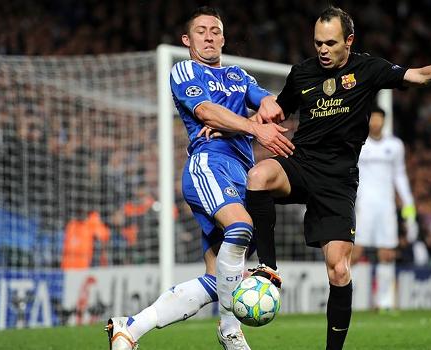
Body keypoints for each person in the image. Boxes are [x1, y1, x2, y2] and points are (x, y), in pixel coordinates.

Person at [245, 6, 431, 349]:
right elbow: (276, 112)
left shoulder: (368, 69)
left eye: (330, 43)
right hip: (301, 164)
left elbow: (420, 76)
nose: (322, 50)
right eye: (317, 43)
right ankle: (267, 267)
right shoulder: (302, 74)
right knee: (258, 176)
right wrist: (233, 123)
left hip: (338, 181)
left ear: (349, 41)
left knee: (338, 270)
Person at [105, 7, 292, 350]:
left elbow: (264, 97)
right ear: (187, 40)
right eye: (201, 31)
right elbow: (204, 111)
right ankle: (230, 328)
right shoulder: (185, 69)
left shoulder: (238, 74)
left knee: (217, 277)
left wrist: (267, 103)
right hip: (209, 164)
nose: (209, 36)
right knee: (241, 227)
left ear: (223, 37)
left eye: (215, 31)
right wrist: (252, 126)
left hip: (241, 173)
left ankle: (130, 328)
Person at [350, 106, 418, 311]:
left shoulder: (395, 146)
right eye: (373, 119)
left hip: (386, 207)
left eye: (380, 119)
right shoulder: (359, 144)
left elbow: (400, 176)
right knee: (355, 251)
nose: (376, 123)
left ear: (384, 121)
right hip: (364, 206)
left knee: (387, 253)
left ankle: (384, 302)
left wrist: (409, 204)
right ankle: (344, 298)